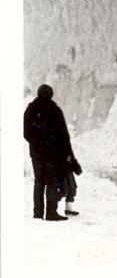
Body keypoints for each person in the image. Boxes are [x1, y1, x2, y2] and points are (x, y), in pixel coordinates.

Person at [23, 84, 73, 221]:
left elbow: (26, 133)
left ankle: (37, 213)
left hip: (36, 153)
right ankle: (51, 213)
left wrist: (37, 144)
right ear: (51, 94)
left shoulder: (30, 109)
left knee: (39, 181)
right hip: (52, 153)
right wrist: (65, 152)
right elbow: (63, 135)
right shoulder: (55, 110)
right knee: (52, 180)